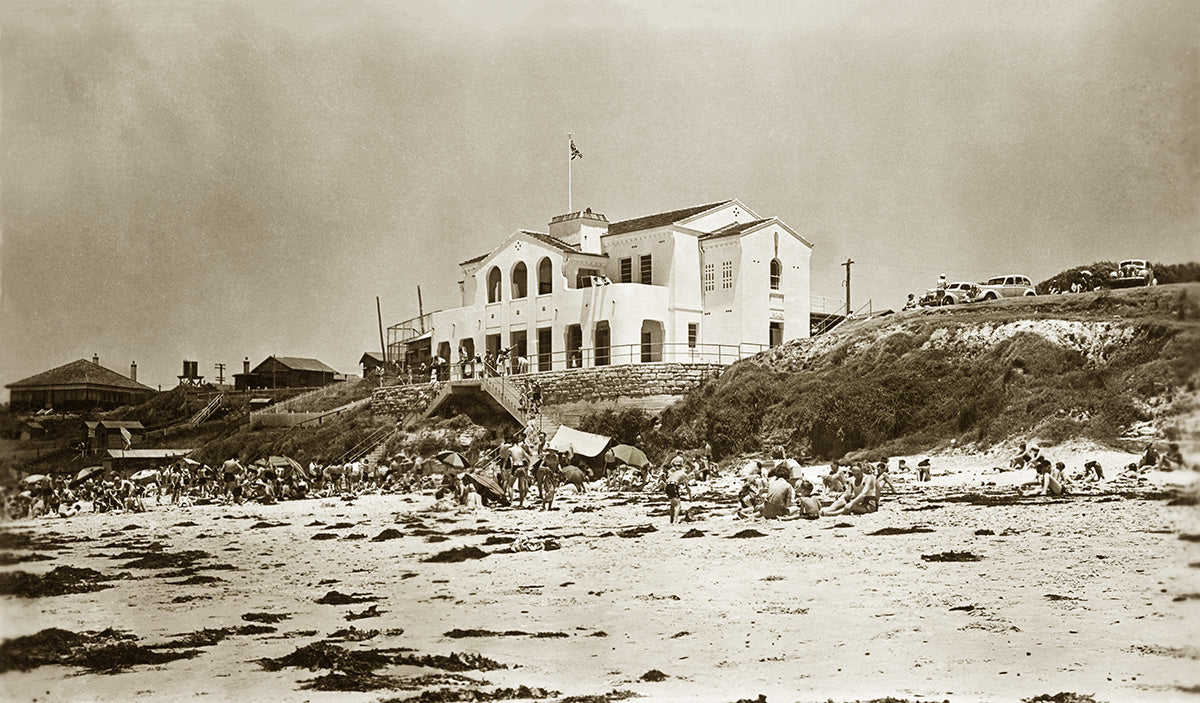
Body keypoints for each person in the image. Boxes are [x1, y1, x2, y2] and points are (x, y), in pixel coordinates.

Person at [665, 457, 691, 523]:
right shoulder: (684, 474)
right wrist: (690, 497)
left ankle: (671, 520)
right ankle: (675, 521)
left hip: (667, 486)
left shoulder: (675, 472)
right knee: (678, 505)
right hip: (673, 485)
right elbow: (687, 487)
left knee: (673, 504)